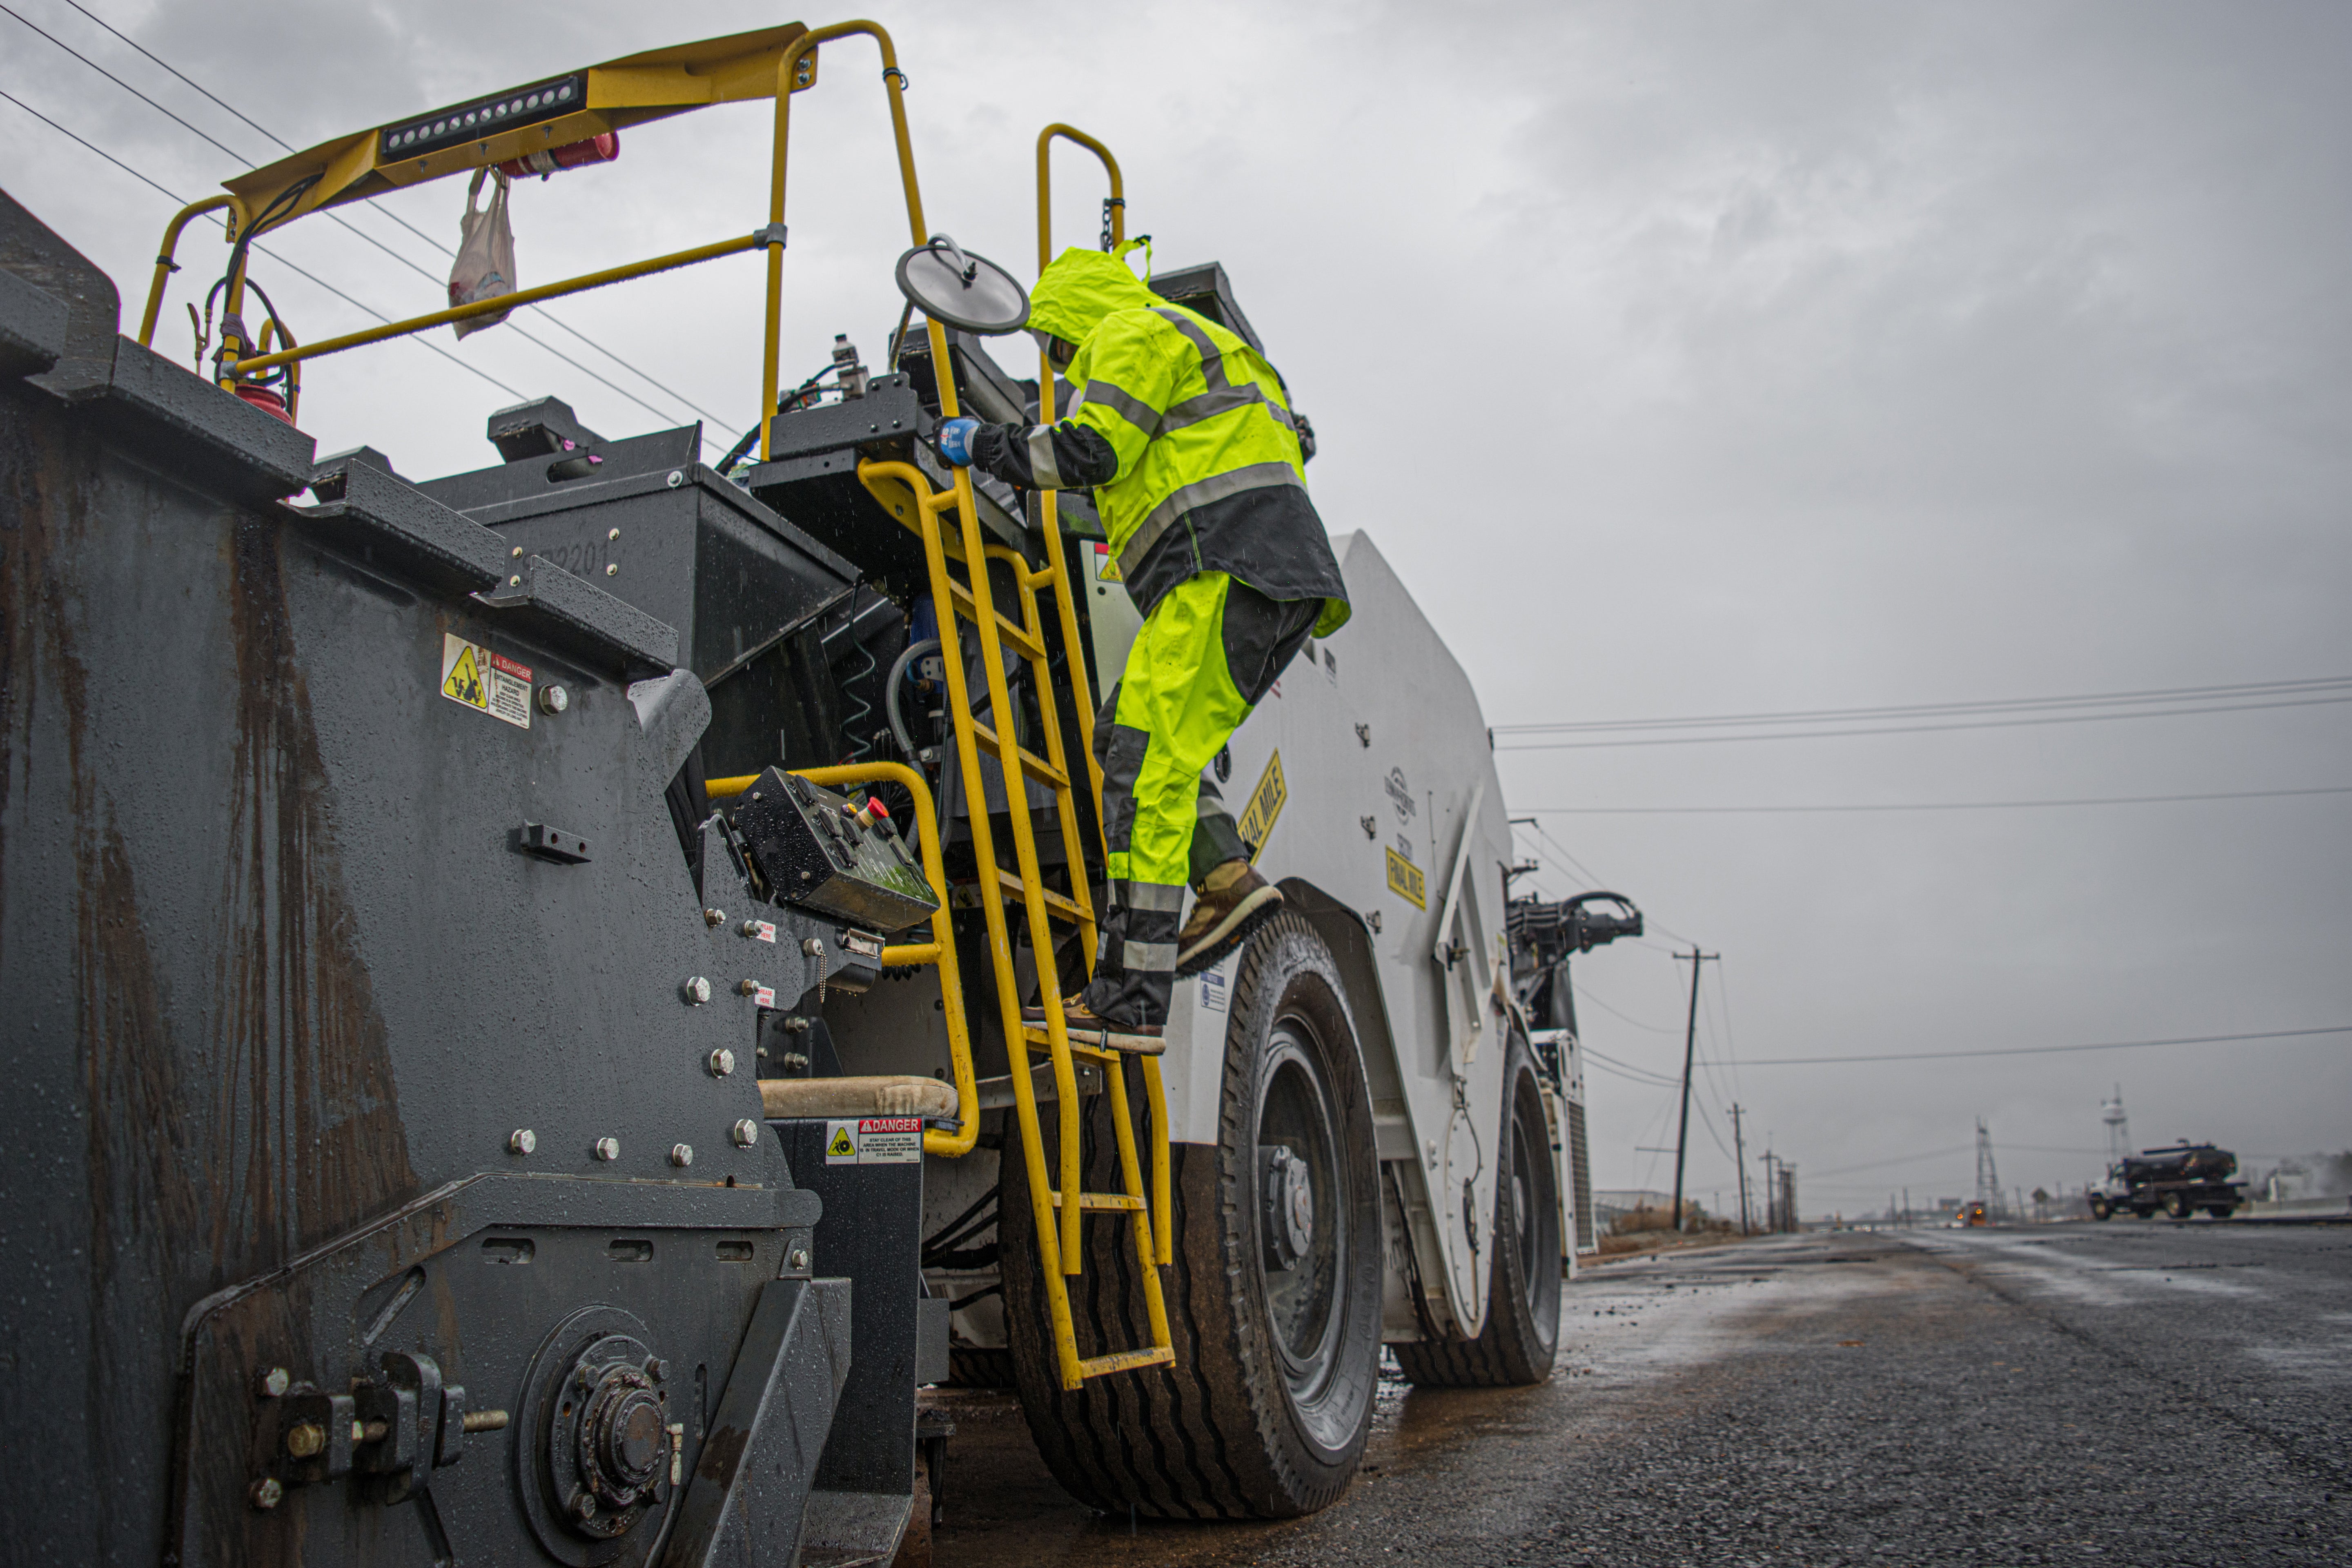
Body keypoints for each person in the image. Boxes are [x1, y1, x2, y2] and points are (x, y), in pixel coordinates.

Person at [937, 244, 1348, 1043]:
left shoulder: (1129, 334)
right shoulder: (1207, 346)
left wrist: (982, 445)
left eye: (1056, 347)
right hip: (1265, 575)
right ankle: (1226, 877)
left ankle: (1130, 998)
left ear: (1070, 318)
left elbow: (1093, 451)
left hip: (1222, 564)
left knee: (1139, 757)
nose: (1061, 366)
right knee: (1138, 741)